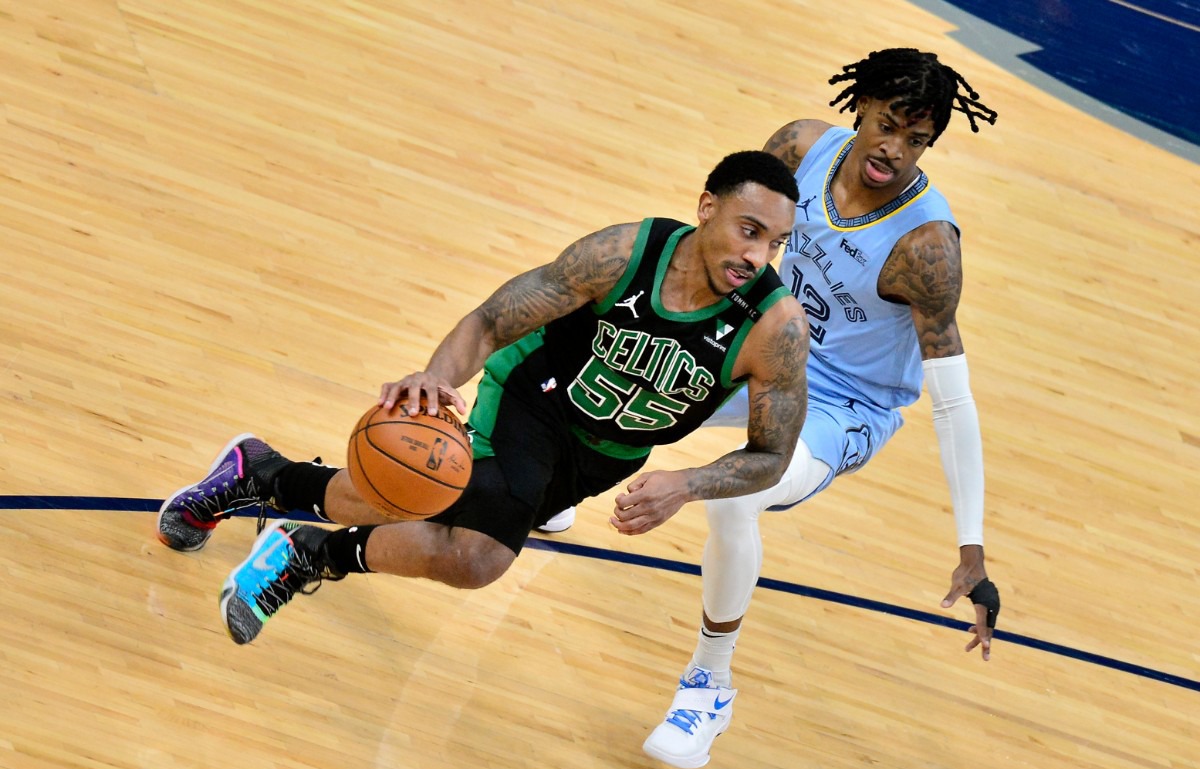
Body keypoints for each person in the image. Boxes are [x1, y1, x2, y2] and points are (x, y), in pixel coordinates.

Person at [155, 151, 814, 648]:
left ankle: (261, 478)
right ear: (707, 208)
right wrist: (439, 378)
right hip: (533, 398)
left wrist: (689, 484)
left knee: (423, 517)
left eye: (776, 243)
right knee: (474, 552)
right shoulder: (622, 256)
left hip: (604, 456)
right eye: (748, 230)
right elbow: (492, 322)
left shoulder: (774, 329)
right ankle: (306, 552)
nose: (758, 256)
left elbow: (771, 456)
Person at [632, 48, 1003, 769]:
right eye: (888, 124)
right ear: (859, 106)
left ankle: (709, 684)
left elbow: (953, 401)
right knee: (634, 371)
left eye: (917, 139)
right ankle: (542, 487)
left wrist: (972, 546)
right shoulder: (799, 149)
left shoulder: (926, 246)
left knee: (739, 494)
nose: (894, 150)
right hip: (768, 343)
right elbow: (725, 243)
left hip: (845, 405)